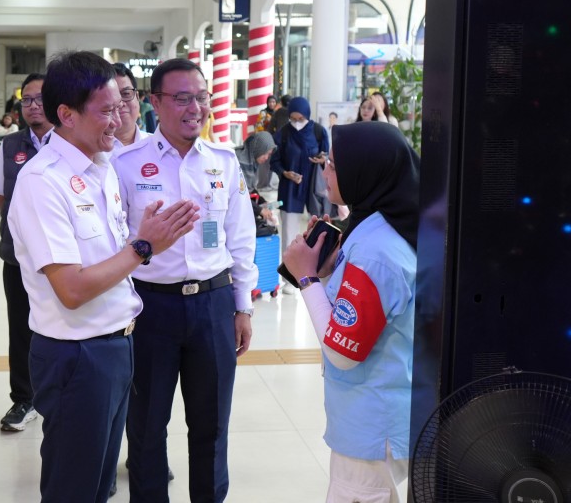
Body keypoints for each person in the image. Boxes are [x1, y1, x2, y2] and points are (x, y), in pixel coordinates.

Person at [8, 51, 198, 502]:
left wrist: (144, 237)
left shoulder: (102, 168)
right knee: (73, 488)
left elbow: (108, 257)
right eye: (106, 110)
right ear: (66, 115)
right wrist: (143, 246)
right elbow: (71, 289)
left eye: (123, 105)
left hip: (117, 345)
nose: (120, 119)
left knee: (100, 487)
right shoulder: (43, 182)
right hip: (77, 357)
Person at [113, 57, 258, 503]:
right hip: (150, 309)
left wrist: (243, 305)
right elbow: (113, 243)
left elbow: (241, 234)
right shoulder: (125, 164)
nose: (195, 107)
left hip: (213, 307)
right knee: (147, 425)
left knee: (212, 425)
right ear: (154, 102)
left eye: (201, 97)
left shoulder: (223, 161)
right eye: (181, 98)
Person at [281, 121, 418, 503]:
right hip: (371, 418)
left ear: (365, 174)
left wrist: (307, 279)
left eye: (334, 165)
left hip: (372, 429)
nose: (324, 170)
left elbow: (342, 353)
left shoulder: (375, 252)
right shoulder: (375, 227)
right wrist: (326, 275)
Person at [0, 73, 51, 432]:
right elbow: (1, 195)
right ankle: (24, 399)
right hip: (18, 256)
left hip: (64, 259)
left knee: (62, 326)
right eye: (26, 100)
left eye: (40, 99)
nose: (32, 106)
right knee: (21, 328)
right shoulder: (11, 144)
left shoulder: (72, 140)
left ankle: (58, 392)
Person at [270, 96, 328, 292]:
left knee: (318, 229)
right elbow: (275, 161)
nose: (296, 122)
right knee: (289, 232)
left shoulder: (318, 132)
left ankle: (318, 272)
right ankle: (289, 278)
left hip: (313, 188)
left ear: (307, 115)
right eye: (292, 118)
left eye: (300, 118)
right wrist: (285, 173)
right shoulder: (284, 133)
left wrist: (321, 160)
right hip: (290, 188)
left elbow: (327, 157)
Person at [112, 62, 149, 149]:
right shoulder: (89, 153)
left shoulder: (158, 147)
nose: (120, 103)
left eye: (126, 93)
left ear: (137, 97)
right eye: (113, 96)